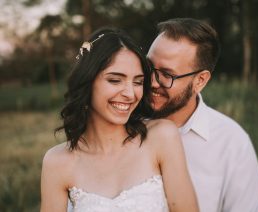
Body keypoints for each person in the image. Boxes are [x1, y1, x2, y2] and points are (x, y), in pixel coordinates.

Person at [40, 28, 199, 212]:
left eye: (138, 82)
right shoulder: (58, 162)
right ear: (87, 82)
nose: (130, 94)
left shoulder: (161, 137)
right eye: (115, 80)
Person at [147, 18, 258, 212]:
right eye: (148, 66)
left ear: (200, 81)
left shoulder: (232, 144)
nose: (151, 82)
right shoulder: (122, 123)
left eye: (167, 74)